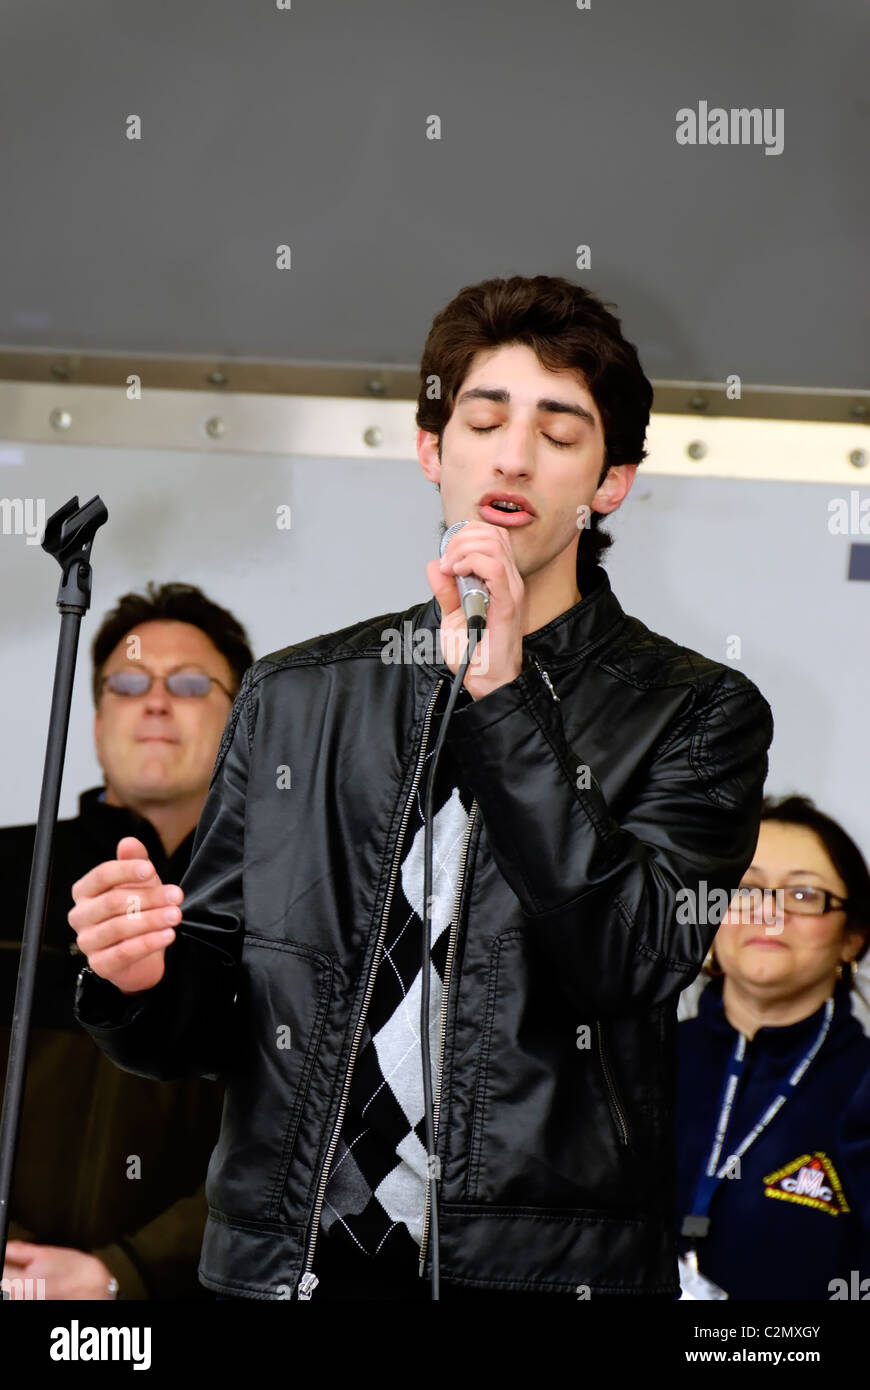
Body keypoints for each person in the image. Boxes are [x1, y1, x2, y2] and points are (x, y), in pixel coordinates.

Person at [69, 274, 773, 1301]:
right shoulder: (294, 697)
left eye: (560, 431)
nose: (514, 454)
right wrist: (138, 983)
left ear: (611, 482)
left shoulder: (697, 710)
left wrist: (504, 698)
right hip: (287, 1268)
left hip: (538, 1271)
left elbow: (631, 958)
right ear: (431, 450)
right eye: (483, 419)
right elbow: (224, 1018)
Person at [0, 582, 254, 1300]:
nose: (156, 700)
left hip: (200, 1292)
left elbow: (308, 1127)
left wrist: (127, 1272)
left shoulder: (293, 897)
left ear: (242, 721)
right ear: (96, 718)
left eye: (191, 684)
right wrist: (13, 1254)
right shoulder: (7, 873)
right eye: (130, 681)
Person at [675, 795, 870, 1300]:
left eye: (804, 894)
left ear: (852, 936)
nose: (769, 912)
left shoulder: (863, 1086)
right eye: (745, 888)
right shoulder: (629, 1066)